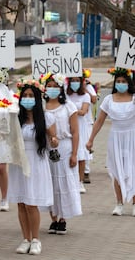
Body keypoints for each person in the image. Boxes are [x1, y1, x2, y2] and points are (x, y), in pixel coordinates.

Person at [8, 79, 58, 255]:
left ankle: (36, 239)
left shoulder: (46, 118)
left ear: (37, 98)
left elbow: (54, 139)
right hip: (19, 163)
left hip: (36, 162)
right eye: (25, 96)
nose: (27, 99)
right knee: (21, 203)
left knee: (31, 203)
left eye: (31, 96)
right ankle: (25, 239)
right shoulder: (14, 118)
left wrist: (53, 140)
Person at [86, 67, 135, 216]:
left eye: (123, 81)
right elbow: (99, 121)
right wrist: (91, 140)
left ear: (129, 83)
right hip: (115, 138)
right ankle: (119, 203)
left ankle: (134, 202)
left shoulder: (134, 99)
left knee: (132, 169)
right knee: (117, 169)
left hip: (132, 137)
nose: (120, 84)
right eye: (118, 81)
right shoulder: (108, 99)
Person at [40, 72, 82, 235]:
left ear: (60, 88)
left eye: (54, 86)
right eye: (48, 86)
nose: (51, 89)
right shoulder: (41, 107)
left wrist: (74, 154)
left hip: (64, 147)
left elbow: (75, 132)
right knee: (49, 182)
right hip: (46, 148)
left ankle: (63, 218)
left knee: (63, 182)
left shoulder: (68, 107)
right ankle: (53, 218)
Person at [66, 76, 92, 193]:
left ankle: (80, 182)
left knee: (81, 156)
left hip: (81, 127)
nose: (75, 83)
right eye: (73, 80)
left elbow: (83, 111)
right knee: (69, 154)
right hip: (67, 126)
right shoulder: (66, 95)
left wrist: (71, 112)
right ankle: (70, 181)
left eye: (77, 81)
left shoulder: (85, 96)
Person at [82, 69, 98, 184]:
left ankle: (86, 172)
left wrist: (84, 89)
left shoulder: (88, 86)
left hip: (86, 122)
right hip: (72, 121)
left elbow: (94, 100)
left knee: (85, 146)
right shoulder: (68, 87)